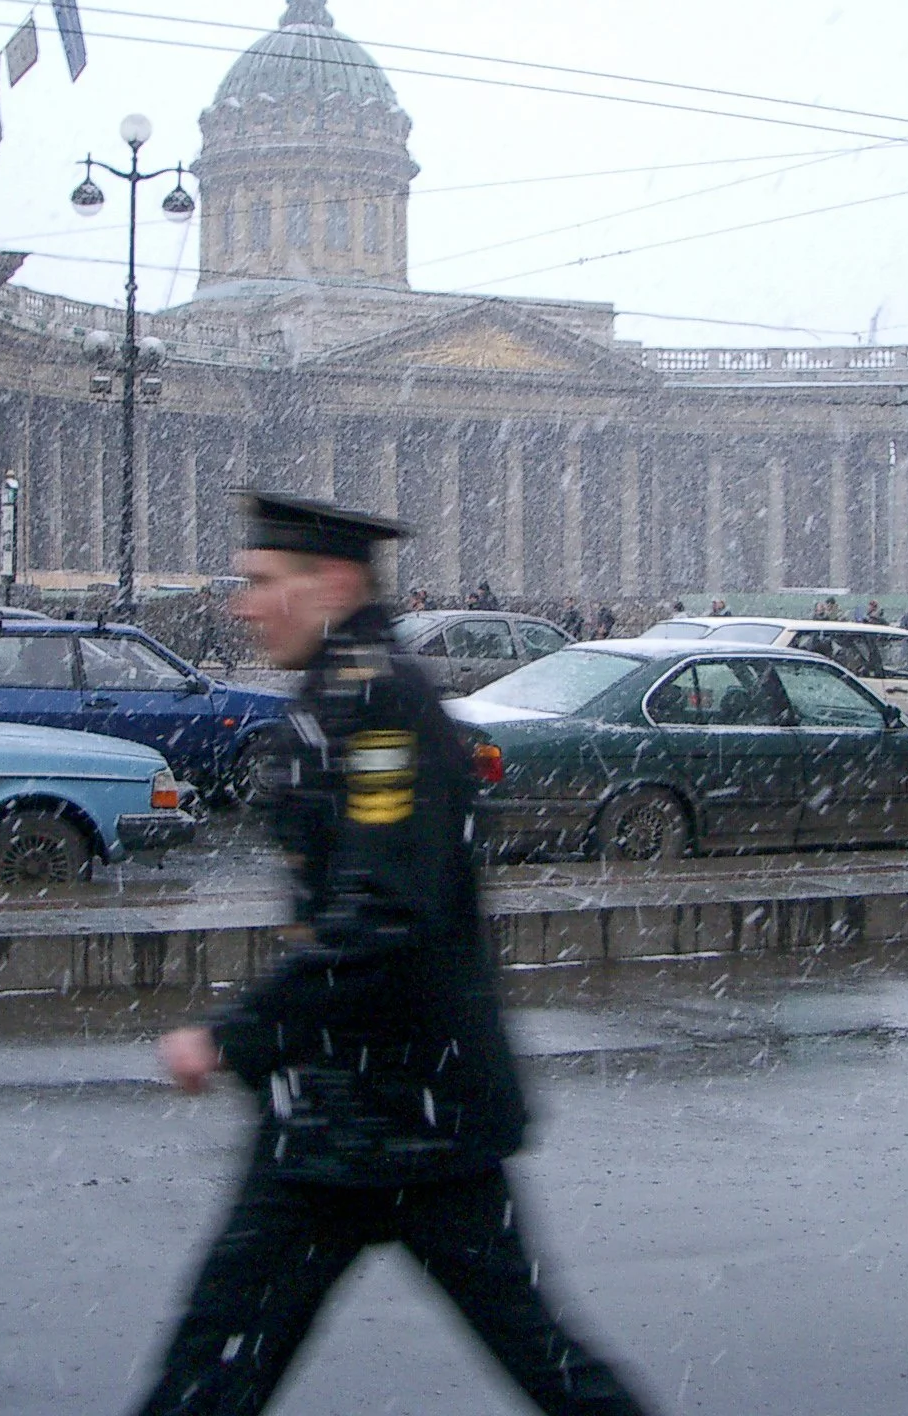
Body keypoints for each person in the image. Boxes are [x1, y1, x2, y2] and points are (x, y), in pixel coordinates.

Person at [131, 494, 650, 1416]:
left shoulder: (376, 702)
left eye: (260, 585)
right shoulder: (342, 690)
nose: (240, 607)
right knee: (221, 1357)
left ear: (330, 582)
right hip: (369, 1103)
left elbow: (380, 912)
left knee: (223, 1358)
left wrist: (237, 1036)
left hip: (397, 1106)